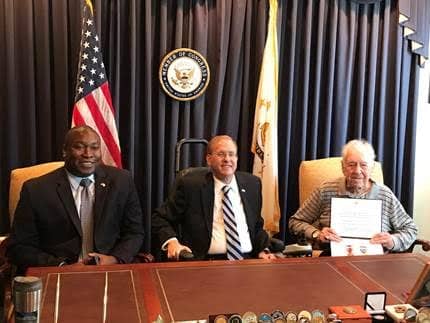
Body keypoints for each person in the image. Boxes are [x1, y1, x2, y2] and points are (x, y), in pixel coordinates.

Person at [7, 126, 144, 273]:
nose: (88, 154)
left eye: (94, 147)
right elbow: (19, 247)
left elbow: (134, 232)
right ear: (65, 151)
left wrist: (115, 259)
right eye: (79, 147)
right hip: (58, 273)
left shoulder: (122, 181)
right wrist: (62, 267)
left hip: (109, 270)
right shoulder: (36, 190)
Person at [152, 135, 275, 260]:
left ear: (237, 158)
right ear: (209, 159)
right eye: (221, 154)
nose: (227, 159)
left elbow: (256, 226)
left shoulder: (252, 184)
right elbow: (160, 218)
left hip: (247, 261)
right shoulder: (191, 186)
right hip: (206, 263)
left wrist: (262, 249)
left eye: (231, 154)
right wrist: (172, 242)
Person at [289, 139, 417, 253]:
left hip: (375, 262)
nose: (357, 171)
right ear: (343, 167)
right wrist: (316, 234)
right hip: (332, 259)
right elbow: (295, 222)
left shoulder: (385, 195)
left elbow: (410, 229)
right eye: (351, 165)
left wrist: (393, 240)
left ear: (371, 167)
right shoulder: (326, 190)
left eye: (363, 165)